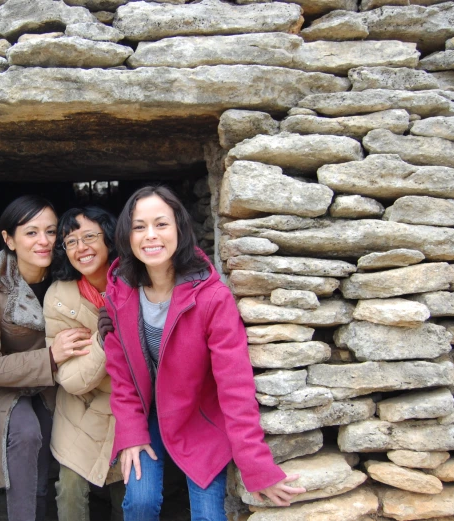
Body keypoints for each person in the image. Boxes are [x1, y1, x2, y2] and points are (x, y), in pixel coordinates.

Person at [102, 186, 305, 521]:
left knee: (208, 516)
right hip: (148, 413)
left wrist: (255, 464)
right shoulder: (119, 293)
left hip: (199, 417)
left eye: (161, 224)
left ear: (180, 229)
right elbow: (122, 377)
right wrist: (130, 433)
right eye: (139, 226)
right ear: (127, 234)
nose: (150, 236)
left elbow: (235, 386)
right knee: (139, 501)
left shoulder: (211, 297)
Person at [0, 195, 92, 521]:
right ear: (9, 239)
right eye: (31, 232)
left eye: (51, 232)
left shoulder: (69, 273)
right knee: (26, 432)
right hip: (4, 382)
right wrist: (49, 357)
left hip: (53, 381)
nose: (44, 242)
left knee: (52, 429)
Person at [44, 206, 125, 521]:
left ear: (109, 239)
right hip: (80, 408)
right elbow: (72, 380)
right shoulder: (58, 297)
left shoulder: (137, 282)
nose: (81, 248)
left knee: (130, 496)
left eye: (90, 236)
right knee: (70, 490)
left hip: (126, 409)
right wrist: (103, 341)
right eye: (71, 242)